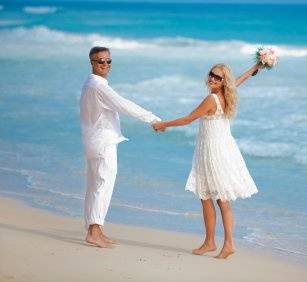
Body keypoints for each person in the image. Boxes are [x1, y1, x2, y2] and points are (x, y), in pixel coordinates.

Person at [153, 62, 263, 259]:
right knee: (215, 198)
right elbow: (241, 79)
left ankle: (224, 243)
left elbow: (188, 119)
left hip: (213, 152)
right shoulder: (227, 94)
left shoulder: (212, 99)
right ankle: (212, 242)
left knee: (213, 197)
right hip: (223, 149)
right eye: (212, 74)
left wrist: (164, 124)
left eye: (218, 77)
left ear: (223, 82)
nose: (212, 78)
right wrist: (257, 66)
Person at [80, 46, 161, 248]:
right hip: (103, 142)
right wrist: (152, 119)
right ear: (92, 63)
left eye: (108, 61)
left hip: (92, 141)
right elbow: (123, 104)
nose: (105, 65)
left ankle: (94, 228)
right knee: (103, 184)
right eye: (100, 61)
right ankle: (94, 231)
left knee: (94, 185)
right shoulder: (99, 87)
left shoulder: (89, 84)